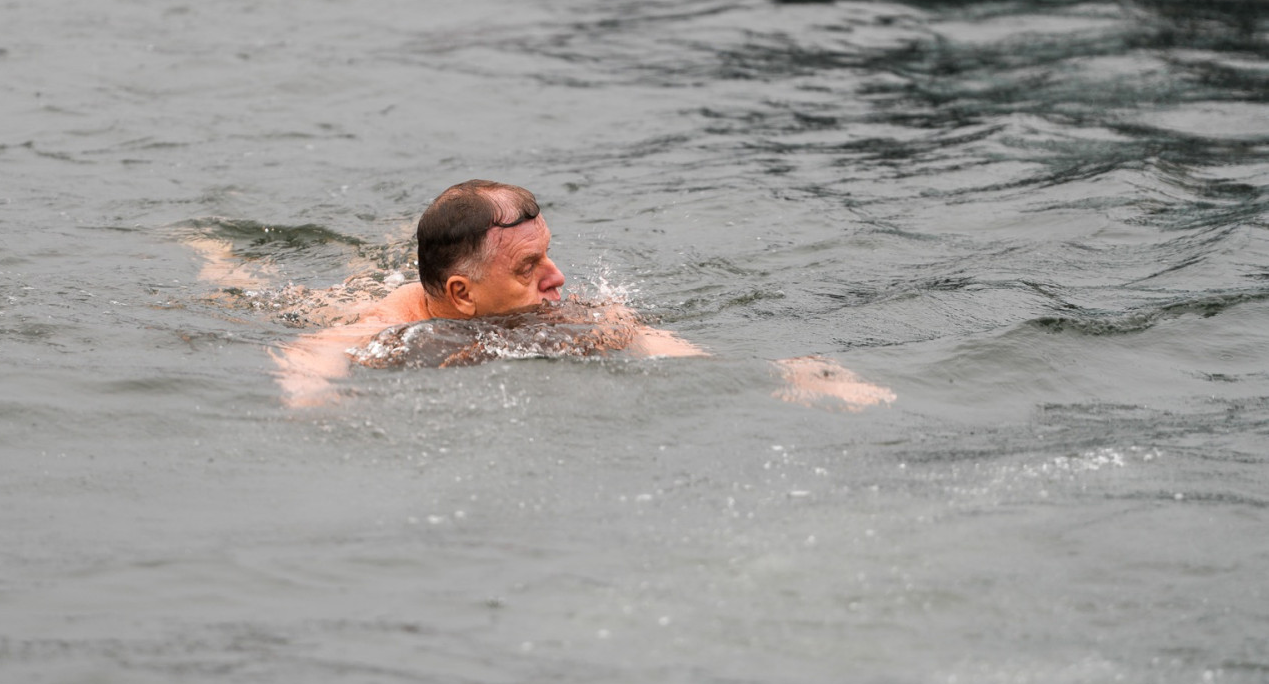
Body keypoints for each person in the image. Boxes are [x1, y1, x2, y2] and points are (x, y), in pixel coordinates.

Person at [189, 179, 894, 410]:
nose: (556, 279)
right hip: (336, 307)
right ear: (462, 294)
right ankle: (211, 252)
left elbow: (661, 346)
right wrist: (316, 402)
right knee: (246, 290)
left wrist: (787, 376)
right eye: (529, 268)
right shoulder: (387, 323)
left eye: (548, 255)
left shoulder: (558, 313)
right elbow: (309, 355)